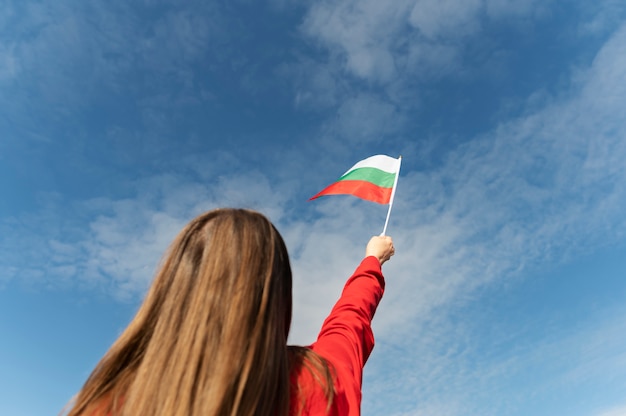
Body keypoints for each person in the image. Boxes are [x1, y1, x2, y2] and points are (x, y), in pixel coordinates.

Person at [64, 208, 394, 416]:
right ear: (278, 297)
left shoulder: (107, 402)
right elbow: (350, 318)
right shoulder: (319, 381)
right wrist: (371, 259)